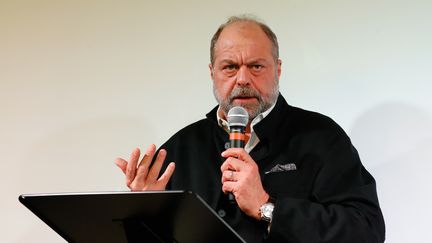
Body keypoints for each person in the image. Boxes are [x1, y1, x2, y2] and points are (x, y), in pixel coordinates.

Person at [115, 15, 385, 243]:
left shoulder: (322, 137)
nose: (243, 79)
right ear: (213, 73)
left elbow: (366, 230)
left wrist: (267, 207)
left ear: (277, 69)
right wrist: (144, 216)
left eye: (256, 66)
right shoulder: (179, 149)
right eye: (230, 67)